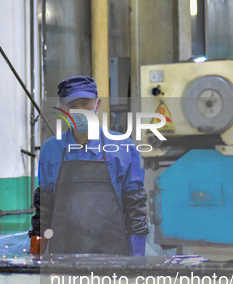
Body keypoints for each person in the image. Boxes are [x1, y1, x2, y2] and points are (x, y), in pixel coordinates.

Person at [29, 76, 148, 256]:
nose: (80, 111)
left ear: (97, 104)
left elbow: (135, 210)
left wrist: (136, 264)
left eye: (85, 103)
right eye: (73, 106)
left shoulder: (122, 147)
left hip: (113, 257)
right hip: (63, 258)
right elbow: (43, 214)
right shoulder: (51, 150)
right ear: (63, 109)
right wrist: (34, 260)